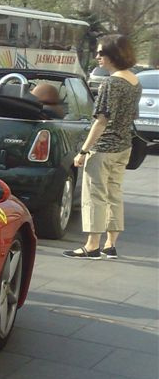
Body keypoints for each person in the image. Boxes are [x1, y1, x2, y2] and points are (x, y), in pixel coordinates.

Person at [63, 34, 141, 260]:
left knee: (94, 196)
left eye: (101, 53)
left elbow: (101, 120)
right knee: (114, 194)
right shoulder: (135, 82)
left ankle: (92, 245)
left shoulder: (111, 83)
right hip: (123, 147)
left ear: (113, 55)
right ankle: (110, 244)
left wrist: (83, 151)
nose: (97, 56)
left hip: (104, 148)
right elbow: (132, 115)